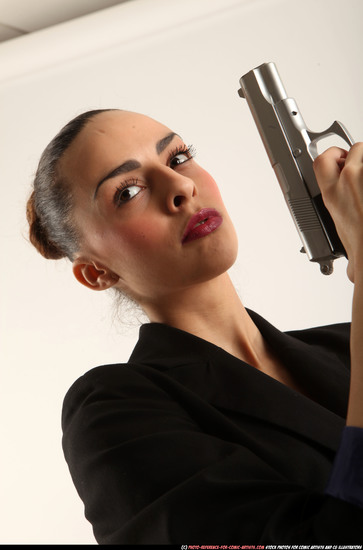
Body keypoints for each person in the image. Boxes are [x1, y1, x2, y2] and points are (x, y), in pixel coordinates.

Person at [26, 109, 363, 544]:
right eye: (127, 191)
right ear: (96, 273)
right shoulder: (111, 413)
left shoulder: (346, 343)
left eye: (178, 157)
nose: (182, 186)